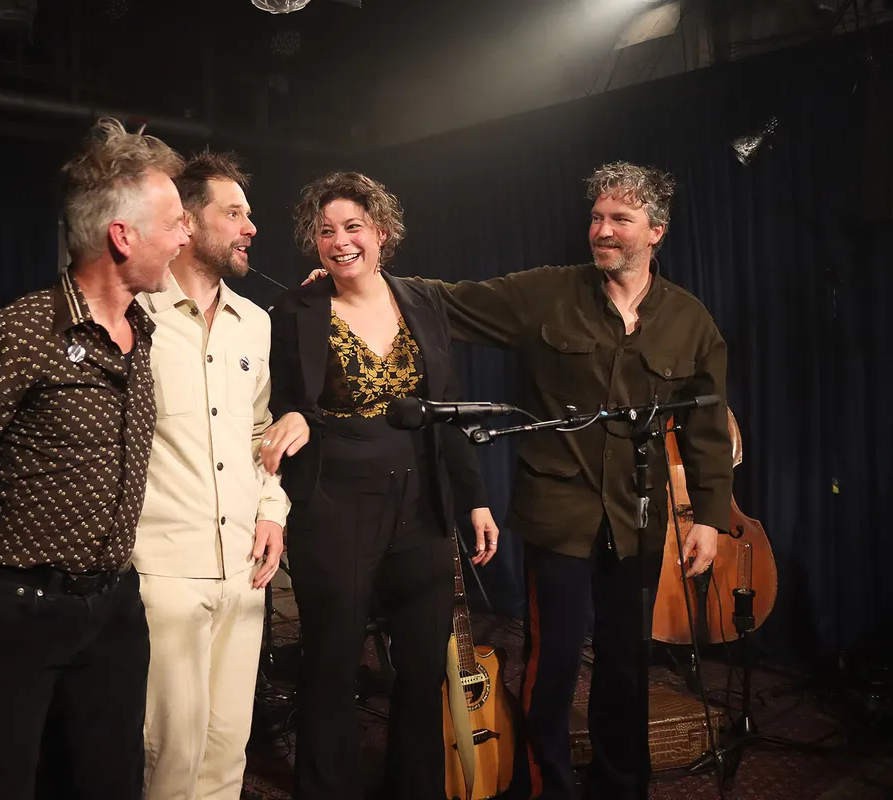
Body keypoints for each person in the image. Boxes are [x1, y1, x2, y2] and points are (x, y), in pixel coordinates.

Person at [305, 161, 733, 799]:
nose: (603, 230)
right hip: (557, 514)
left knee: (627, 662)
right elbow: (446, 299)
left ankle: (621, 787)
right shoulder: (548, 293)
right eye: (597, 217)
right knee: (553, 663)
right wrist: (356, 276)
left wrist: (711, 517)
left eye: (620, 219)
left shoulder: (690, 320)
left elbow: (706, 425)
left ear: (657, 231)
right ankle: (545, 787)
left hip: (638, 516)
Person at [0, 117, 189, 800]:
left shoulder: (143, 329)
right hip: (16, 612)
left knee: (110, 782)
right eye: (174, 222)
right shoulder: (18, 334)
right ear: (123, 236)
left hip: (114, 607)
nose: (185, 236)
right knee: (1, 783)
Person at [261, 171, 498, 800]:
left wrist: (473, 496)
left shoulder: (422, 300)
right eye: (326, 231)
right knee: (332, 662)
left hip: (422, 499)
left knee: (421, 665)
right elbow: (280, 399)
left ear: (382, 232)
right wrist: (291, 416)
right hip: (335, 499)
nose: (340, 241)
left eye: (353, 227)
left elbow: (447, 405)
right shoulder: (295, 310)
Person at [132, 150, 289, 800]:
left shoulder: (256, 324)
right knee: (171, 755)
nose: (251, 227)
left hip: (245, 569)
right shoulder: (135, 317)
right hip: (166, 569)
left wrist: (272, 510)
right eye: (234, 213)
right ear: (188, 222)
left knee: (228, 749)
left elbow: (260, 432)